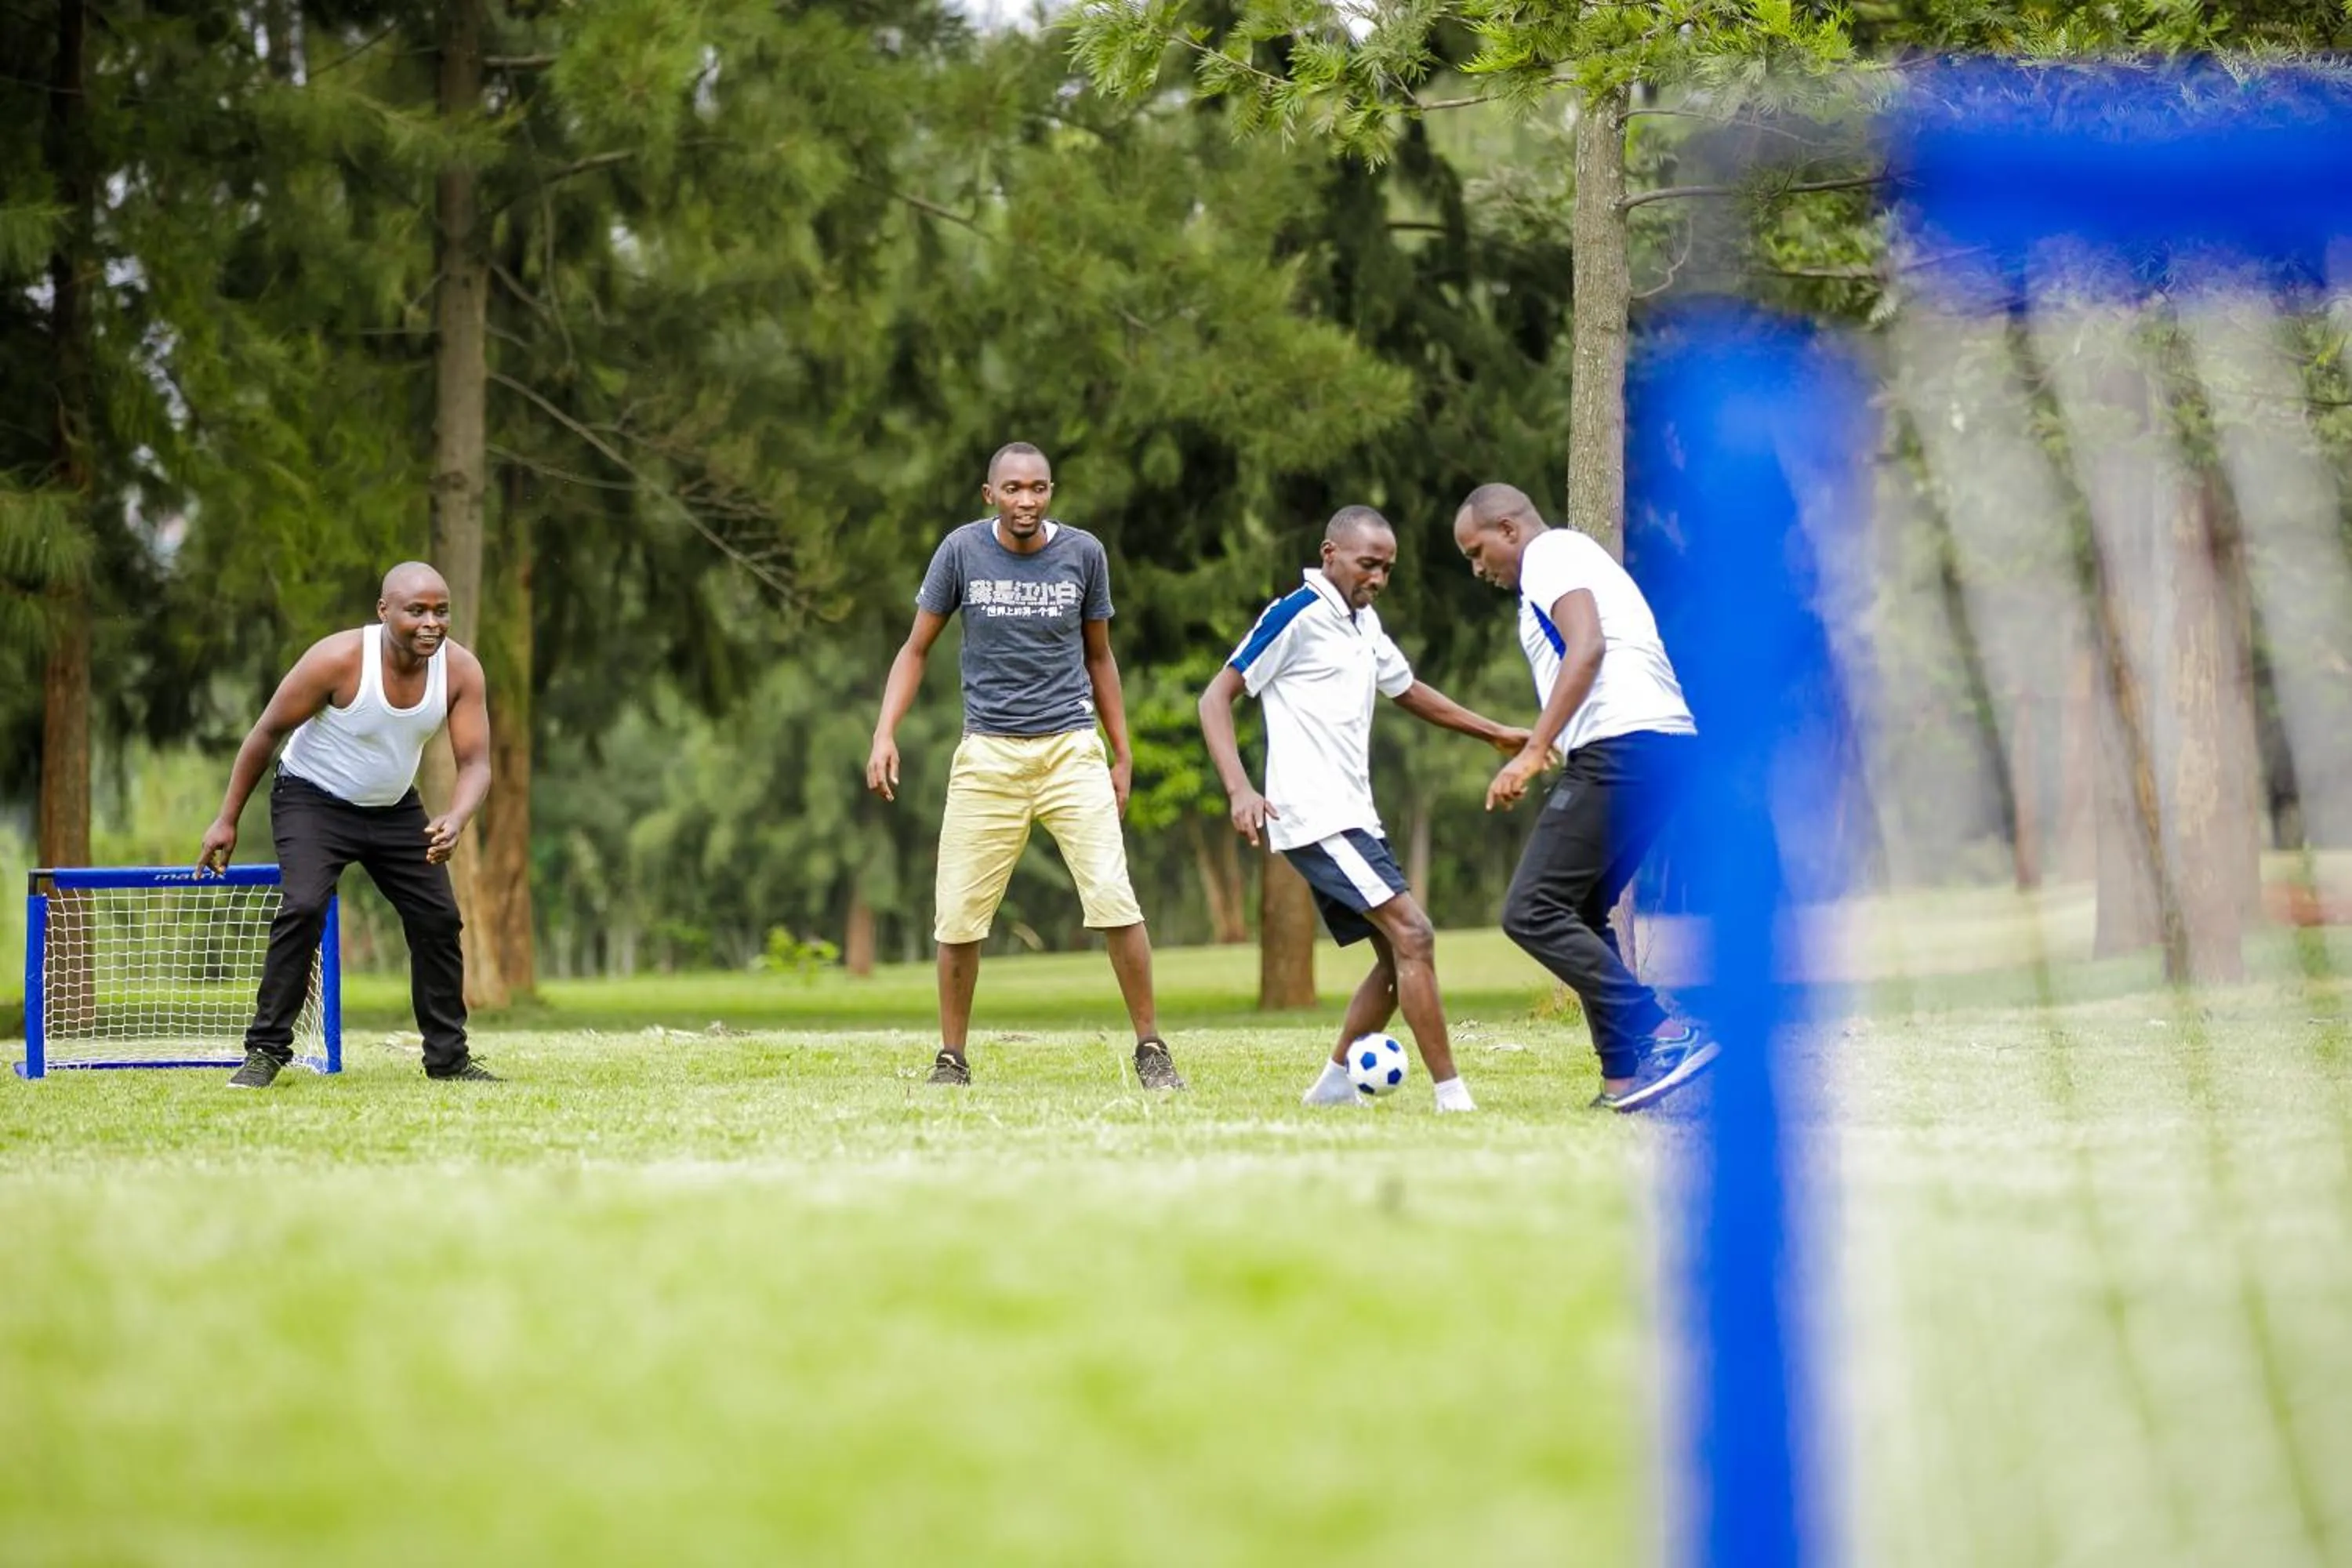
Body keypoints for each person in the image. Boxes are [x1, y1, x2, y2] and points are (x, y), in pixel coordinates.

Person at [867, 442, 1184, 1091]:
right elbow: (916, 647)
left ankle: (1152, 1050)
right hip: (987, 754)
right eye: (1012, 489)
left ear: (1050, 493)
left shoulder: (1084, 554)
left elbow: (1100, 658)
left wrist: (1121, 753)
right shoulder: (960, 552)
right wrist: (884, 732)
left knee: (1113, 899)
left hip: (1071, 749)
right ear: (990, 495)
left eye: (1037, 488)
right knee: (958, 915)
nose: (1026, 501)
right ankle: (951, 1058)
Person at [1200, 506, 1528, 1112]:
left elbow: (1406, 690)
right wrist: (1239, 789)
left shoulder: (1364, 623)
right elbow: (1216, 697)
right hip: (1314, 815)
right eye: (1367, 564)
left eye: (1387, 569)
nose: (1376, 578)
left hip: (1354, 816)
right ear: (1331, 554)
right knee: (1415, 934)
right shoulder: (1294, 614)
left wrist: (1493, 734)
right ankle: (1452, 1096)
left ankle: (1331, 1086)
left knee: (1393, 957)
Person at [1453, 483, 1713, 1112]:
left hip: (1623, 744)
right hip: (1658, 745)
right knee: (1582, 909)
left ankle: (1667, 1030)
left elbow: (1588, 645)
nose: (1477, 567)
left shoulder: (1552, 554)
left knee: (1531, 910)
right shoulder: (1567, 561)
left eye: (1476, 550)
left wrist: (1537, 749)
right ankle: (1624, 1080)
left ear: (1509, 529)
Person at [198, 561, 499, 1087]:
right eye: (417, 610)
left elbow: (475, 763)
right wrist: (227, 819)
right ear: (385, 611)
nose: (432, 622)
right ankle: (265, 1051)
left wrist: (455, 816)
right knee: (305, 905)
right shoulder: (338, 659)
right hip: (313, 800)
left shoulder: (461, 670)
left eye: (441, 610)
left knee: (438, 919)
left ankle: (448, 1060)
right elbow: (266, 734)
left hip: (394, 808)